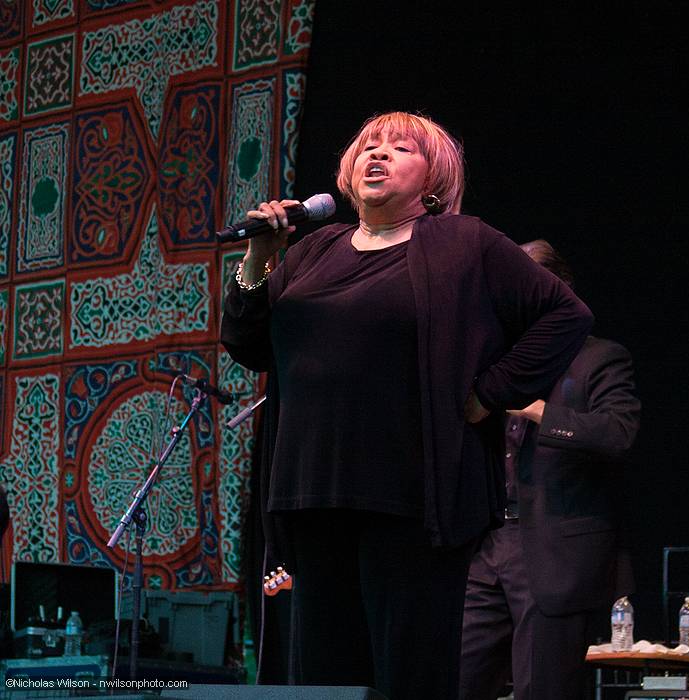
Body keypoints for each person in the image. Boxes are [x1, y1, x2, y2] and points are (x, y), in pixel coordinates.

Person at [221, 113, 593, 700]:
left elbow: (565, 315)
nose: (379, 155)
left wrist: (489, 394)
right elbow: (246, 344)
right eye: (369, 146)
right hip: (313, 493)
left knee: (407, 678)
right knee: (326, 681)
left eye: (399, 148)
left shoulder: (464, 243)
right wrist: (259, 258)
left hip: (411, 498)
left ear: (433, 180)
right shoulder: (315, 249)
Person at [460, 239, 641, 700]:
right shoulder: (496, 361)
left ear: (556, 289)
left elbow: (618, 434)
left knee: (542, 689)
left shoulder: (599, 357)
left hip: (550, 550)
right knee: (454, 678)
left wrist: (540, 410)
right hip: (486, 544)